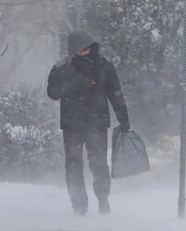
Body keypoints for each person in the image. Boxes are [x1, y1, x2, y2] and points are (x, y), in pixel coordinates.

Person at [46, 32, 130, 216]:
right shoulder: (62, 68)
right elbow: (52, 92)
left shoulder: (103, 66)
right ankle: (79, 206)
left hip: (96, 124)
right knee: (74, 166)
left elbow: (115, 92)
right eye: (79, 50)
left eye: (86, 49)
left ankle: (102, 199)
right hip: (72, 126)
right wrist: (70, 84)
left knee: (98, 163)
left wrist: (123, 117)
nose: (83, 53)